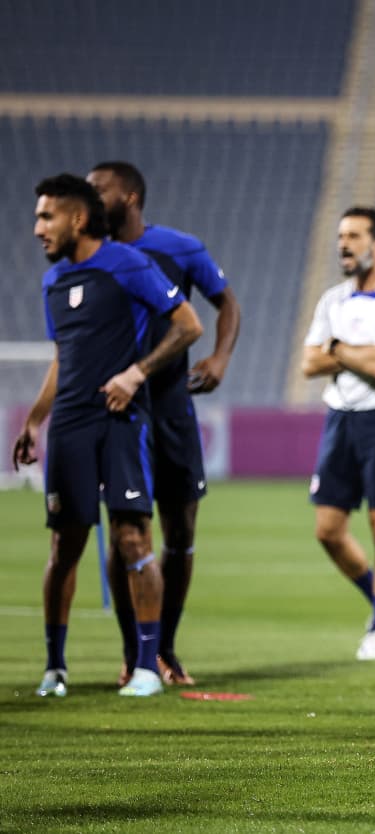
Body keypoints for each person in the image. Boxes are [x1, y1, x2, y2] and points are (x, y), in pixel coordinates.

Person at [14, 173, 203, 698]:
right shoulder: (53, 282)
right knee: (65, 545)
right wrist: (34, 419)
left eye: (47, 217)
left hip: (122, 421)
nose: (37, 229)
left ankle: (145, 665)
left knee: (132, 537)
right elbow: (62, 358)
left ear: (77, 218)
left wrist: (137, 373)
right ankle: (55, 668)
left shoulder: (127, 264)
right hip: (69, 426)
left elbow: (189, 324)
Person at [86, 161, 243, 687]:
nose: (89, 198)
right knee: (125, 533)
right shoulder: (92, 256)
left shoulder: (179, 248)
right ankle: (135, 654)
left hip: (173, 407)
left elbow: (227, 303)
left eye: (98, 190)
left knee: (181, 531)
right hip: (119, 410)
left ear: (128, 196)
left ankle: (167, 650)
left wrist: (220, 358)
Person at [301, 206, 375, 661]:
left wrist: (333, 347)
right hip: (339, 416)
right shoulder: (332, 299)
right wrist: (351, 353)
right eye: (340, 236)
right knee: (328, 530)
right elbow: (308, 363)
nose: (343, 244)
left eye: (353, 236)